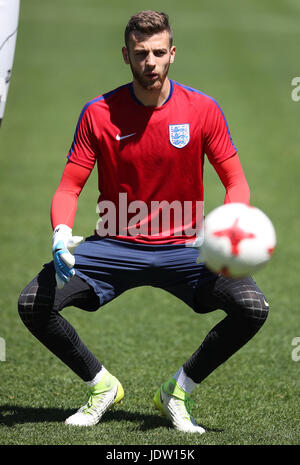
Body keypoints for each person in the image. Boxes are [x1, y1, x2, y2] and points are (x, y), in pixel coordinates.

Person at [18, 10, 269, 434]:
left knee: (252, 309)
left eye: (157, 53)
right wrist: (61, 233)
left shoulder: (203, 110)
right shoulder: (98, 113)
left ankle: (177, 391)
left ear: (172, 54)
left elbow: (236, 182)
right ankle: (102, 386)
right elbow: (68, 188)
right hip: (113, 244)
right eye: (140, 54)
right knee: (33, 305)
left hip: (187, 247)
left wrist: (225, 224)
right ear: (126, 56)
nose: (149, 62)